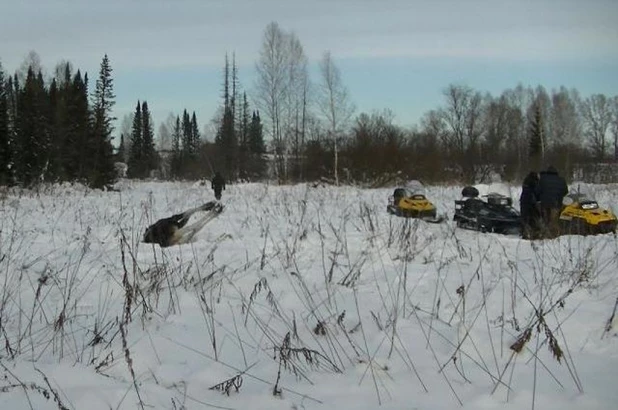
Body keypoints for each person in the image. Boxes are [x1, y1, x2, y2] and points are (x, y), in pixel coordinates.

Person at [537, 165, 568, 237]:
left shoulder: (542, 179)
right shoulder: (561, 180)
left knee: (546, 219)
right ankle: (554, 235)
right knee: (554, 220)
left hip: (544, 203)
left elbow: (537, 190)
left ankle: (545, 233)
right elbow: (565, 192)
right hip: (556, 203)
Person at [519, 171, 540, 239]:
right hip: (531, 202)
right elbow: (536, 192)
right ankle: (534, 233)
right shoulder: (535, 182)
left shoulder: (526, 182)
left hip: (523, 201)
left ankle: (524, 232)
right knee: (533, 218)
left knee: (524, 218)